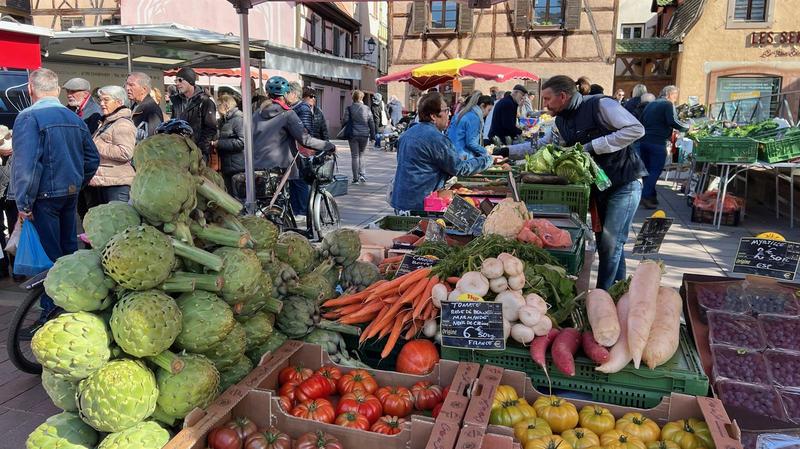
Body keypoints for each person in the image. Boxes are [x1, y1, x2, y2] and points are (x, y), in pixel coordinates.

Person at [499, 75, 645, 290]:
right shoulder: (560, 121)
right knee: (611, 245)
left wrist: (594, 146)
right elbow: (542, 145)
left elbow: (636, 129)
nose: (545, 104)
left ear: (563, 96)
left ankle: (601, 294)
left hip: (625, 182)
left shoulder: (600, 105)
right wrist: (507, 151)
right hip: (598, 187)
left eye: (548, 99)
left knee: (610, 243)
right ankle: (617, 292)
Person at [10, 68, 99, 322]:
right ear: (57, 89)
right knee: (68, 254)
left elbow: (26, 165)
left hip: (43, 197)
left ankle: (51, 314)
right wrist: (77, 183)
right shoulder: (73, 118)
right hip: (68, 194)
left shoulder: (28, 117)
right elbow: (92, 158)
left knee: (50, 259)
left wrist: (23, 203)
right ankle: (70, 307)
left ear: (30, 89)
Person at [391, 92, 492, 212]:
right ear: (434, 116)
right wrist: (486, 160)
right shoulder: (436, 138)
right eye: (446, 110)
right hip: (420, 203)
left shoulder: (408, 133)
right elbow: (458, 168)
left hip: (401, 201)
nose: (449, 114)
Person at [252, 76, 334, 219]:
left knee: (266, 201)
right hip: (280, 167)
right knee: (282, 200)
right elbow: (305, 139)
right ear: (284, 95)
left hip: (257, 165)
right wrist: (328, 145)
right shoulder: (287, 114)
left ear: (267, 94)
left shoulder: (256, 114)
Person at [638, 85, 689, 209]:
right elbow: (673, 121)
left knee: (647, 171)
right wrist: (687, 127)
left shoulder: (651, 104)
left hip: (644, 141)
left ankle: (651, 197)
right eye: (675, 96)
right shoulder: (667, 105)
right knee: (655, 170)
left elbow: (641, 120)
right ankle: (644, 196)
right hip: (657, 142)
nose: (675, 99)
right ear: (670, 94)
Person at [86, 85, 136, 207]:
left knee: (119, 223)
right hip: (105, 183)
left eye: (106, 100)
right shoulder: (108, 121)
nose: (102, 104)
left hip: (117, 185)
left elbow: (125, 152)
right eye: (100, 100)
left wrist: (96, 144)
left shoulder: (122, 124)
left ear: (119, 102)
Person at [170, 67, 217, 162]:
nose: (177, 84)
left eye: (180, 80)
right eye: (176, 80)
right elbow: (173, 122)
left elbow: (210, 128)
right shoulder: (176, 101)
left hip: (198, 153)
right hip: (179, 152)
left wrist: (200, 149)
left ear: (190, 81)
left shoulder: (205, 101)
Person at [447, 92, 494, 160]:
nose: (488, 113)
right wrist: (485, 152)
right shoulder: (474, 118)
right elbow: (471, 143)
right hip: (463, 156)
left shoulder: (461, 114)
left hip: (452, 153)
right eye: (488, 110)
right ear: (482, 105)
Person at [213, 94, 245, 194]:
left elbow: (242, 142)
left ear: (226, 105)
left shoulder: (238, 120)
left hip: (237, 167)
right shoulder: (224, 121)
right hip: (228, 166)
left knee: (237, 197)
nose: (217, 108)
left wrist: (219, 144)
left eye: (218, 105)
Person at [343, 90, 376, 184]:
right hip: (365, 135)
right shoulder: (367, 109)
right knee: (362, 155)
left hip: (353, 134)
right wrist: (373, 136)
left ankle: (355, 178)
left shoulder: (349, 108)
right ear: (362, 98)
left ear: (353, 98)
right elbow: (371, 122)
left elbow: (345, 121)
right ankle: (362, 175)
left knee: (354, 156)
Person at [125, 72, 163, 142]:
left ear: (144, 89)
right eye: (126, 84)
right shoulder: (134, 106)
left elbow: (154, 140)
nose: (127, 88)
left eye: (131, 85)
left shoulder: (152, 110)